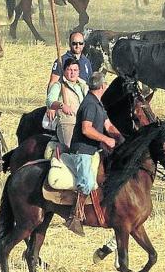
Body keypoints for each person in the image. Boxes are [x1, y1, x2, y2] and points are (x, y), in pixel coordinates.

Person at [65, 72, 121, 236]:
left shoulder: (98, 104)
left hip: (92, 150)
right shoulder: (89, 104)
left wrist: (122, 139)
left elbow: (109, 126)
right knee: (87, 184)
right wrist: (106, 139)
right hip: (82, 151)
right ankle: (75, 217)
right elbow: (86, 129)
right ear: (102, 86)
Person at [45, 58, 88, 147]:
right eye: (69, 70)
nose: (72, 73)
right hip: (67, 123)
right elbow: (50, 101)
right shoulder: (59, 85)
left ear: (79, 72)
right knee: (71, 148)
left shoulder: (84, 86)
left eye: (75, 70)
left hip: (83, 124)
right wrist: (61, 105)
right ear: (64, 71)